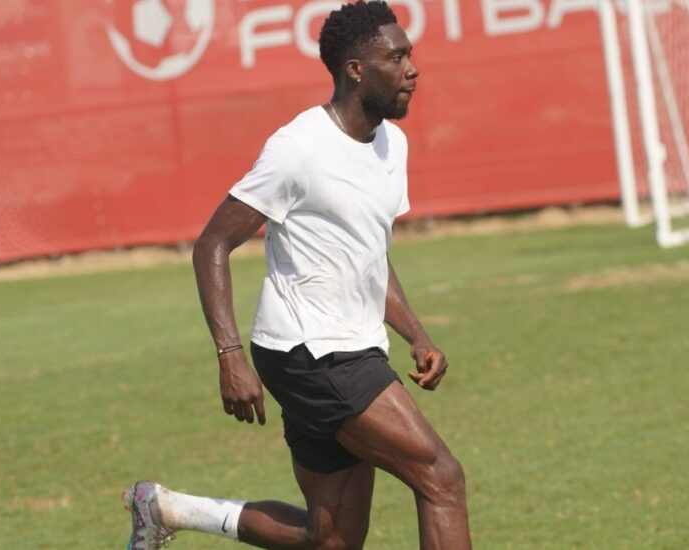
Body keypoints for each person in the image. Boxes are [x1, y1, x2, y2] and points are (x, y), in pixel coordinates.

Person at [122, 2, 471, 548]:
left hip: (350, 347)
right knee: (441, 477)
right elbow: (213, 244)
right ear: (356, 68)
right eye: (396, 56)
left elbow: (368, 255)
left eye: (411, 55)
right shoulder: (299, 148)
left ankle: (167, 509)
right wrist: (229, 356)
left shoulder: (391, 144)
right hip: (311, 351)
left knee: (329, 539)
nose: (412, 68)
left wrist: (416, 334)